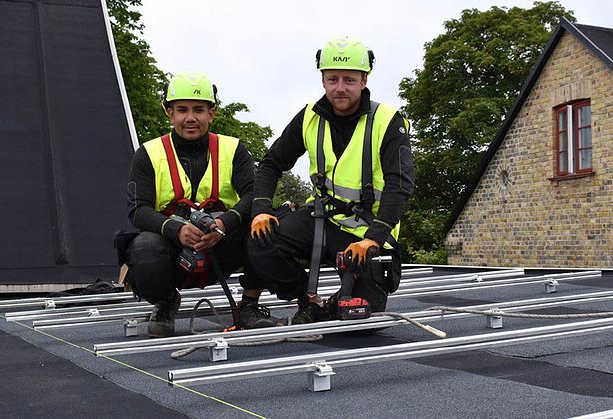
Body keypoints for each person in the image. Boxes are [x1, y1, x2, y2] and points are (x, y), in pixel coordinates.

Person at [247, 37, 415, 324]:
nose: (339, 88)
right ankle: (309, 300)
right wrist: (261, 208)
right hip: (321, 219)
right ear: (323, 79)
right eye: (332, 79)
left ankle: (336, 303)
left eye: (349, 80)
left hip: (365, 231)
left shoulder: (388, 121)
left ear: (364, 80)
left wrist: (373, 239)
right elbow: (271, 163)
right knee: (260, 241)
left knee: (361, 319)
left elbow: (400, 185)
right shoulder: (310, 116)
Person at [124, 72, 278, 337]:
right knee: (143, 249)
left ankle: (249, 306)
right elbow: (138, 209)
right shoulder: (148, 153)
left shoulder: (234, 149)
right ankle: (165, 301)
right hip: (172, 246)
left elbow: (255, 194)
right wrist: (176, 230)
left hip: (223, 242)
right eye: (182, 110)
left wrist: (223, 224)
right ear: (169, 113)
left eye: (199, 110)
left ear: (212, 113)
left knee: (265, 225)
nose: (190, 118)